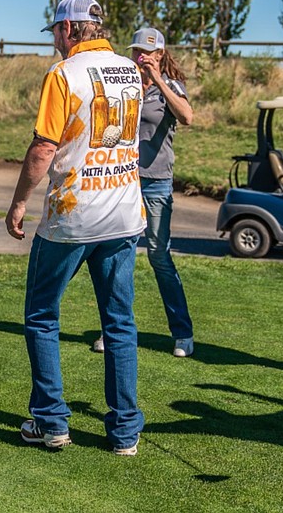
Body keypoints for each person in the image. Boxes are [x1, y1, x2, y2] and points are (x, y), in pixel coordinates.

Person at [6, 0, 146, 455]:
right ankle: (125, 432)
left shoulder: (63, 73)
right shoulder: (130, 68)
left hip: (74, 215)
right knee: (120, 323)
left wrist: (18, 202)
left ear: (68, 30)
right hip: (124, 211)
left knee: (42, 316)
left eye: (56, 33)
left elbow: (44, 148)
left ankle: (51, 422)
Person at [90, 26, 195, 358]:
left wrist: (159, 81)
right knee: (119, 255)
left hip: (157, 182)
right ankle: (115, 331)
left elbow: (188, 117)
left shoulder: (172, 87)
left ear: (161, 55)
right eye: (136, 51)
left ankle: (183, 334)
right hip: (123, 181)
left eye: (147, 52)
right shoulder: (126, 85)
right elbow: (110, 131)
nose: (140, 57)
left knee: (159, 257)